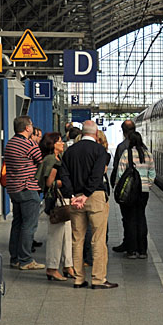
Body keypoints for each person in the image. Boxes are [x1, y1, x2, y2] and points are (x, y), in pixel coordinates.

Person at [59, 120, 116, 289]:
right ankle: (98, 279)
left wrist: (73, 195)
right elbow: (97, 174)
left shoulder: (69, 151)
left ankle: (78, 279)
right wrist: (87, 194)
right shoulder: (100, 150)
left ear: (82, 133)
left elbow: (64, 174)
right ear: (96, 133)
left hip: (75, 198)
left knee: (77, 239)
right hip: (95, 197)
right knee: (97, 239)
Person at [3, 115, 46, 270]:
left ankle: (15, 258)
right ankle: (26, 260)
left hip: (14, 188)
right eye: (31, 125)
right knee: (29, 226)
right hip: (28, 188)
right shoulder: (29, 144)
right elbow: (40, 161)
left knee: (17, 224)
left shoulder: (10, 143)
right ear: (27, 128)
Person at [36, 132, 73, 281]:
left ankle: (67, 265)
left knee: (67, 235)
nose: (62, 143)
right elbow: (49, 183)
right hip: (57, 201)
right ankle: (52, 268)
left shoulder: (58, 158)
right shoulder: (51, 159)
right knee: (56, 236)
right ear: (52, 144)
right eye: (59, 141)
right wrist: (64, 182)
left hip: (64, 199)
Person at [117, 131, 156, 259]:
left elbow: (120, 173)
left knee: (130, 219)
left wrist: (119, 189)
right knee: (141, 218)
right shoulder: (148, 154)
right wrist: (147, 185)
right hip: (144, 192)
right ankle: (142, 250)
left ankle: (132, 250)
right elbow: (152, 173)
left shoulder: (127, 154)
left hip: (130, 192)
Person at [110, 119, 136, 253]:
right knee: (139, 217)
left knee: (127, 217)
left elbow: (117, 168)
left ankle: (129, 245)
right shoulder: (143, 147)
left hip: (126, 188)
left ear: (123, 132)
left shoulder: (122, 147)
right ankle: (141, 248)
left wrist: (114, 184)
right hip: (141, 189)